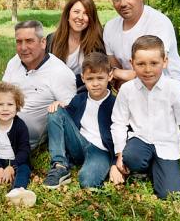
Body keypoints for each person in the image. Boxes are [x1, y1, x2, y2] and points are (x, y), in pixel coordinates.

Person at [111, 35, 180, 199]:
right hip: (140, 141)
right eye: (141, 64)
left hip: (166, 145)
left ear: (165, 61)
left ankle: (157, 167)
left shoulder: (173, 89)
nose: (148, 70)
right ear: (132, 63)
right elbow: (118, 123)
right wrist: (119, 155)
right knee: (132, 158)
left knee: (169, 194)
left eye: (154, 63)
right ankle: (141, 167)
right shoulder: (127, 90)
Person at [43, 52, 124, 189]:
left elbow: (122, 136)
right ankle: (59, 165)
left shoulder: (116, 105)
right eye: (90, 79)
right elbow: (65, 120)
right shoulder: (79, 99)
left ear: (109, 76)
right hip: (79, 144)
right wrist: (60, 107)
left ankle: (92, 169)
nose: (95, 83)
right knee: (54, 111)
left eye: (100, 78)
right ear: (83, 78)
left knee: (87, 182)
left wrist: (115, 164)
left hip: (100, 151)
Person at [103, 0, 180, 89]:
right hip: (132, 88)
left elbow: (152, 71)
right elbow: (116, 70)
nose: (123, 3)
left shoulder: (159, 23)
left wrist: (117, 73)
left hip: (166, 88)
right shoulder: (110, 28)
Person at [2, 20, 76, 149]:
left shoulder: (59, 72)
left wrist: (61, 106)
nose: (23, 47)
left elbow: (71, 113)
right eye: (19, 42)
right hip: (0, 127)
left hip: (24, 141)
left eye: (29, 41)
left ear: (43, 43)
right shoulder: (14, 62)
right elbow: (1, 95)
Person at [45, 0, 105, 90]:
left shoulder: (98, 42)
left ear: (91, 18)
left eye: (86, 13)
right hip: (55, 93)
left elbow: (99, 75)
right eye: (76, 12)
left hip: (85, 94)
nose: (80, 17)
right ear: (68, 15)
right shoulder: (52, 39)